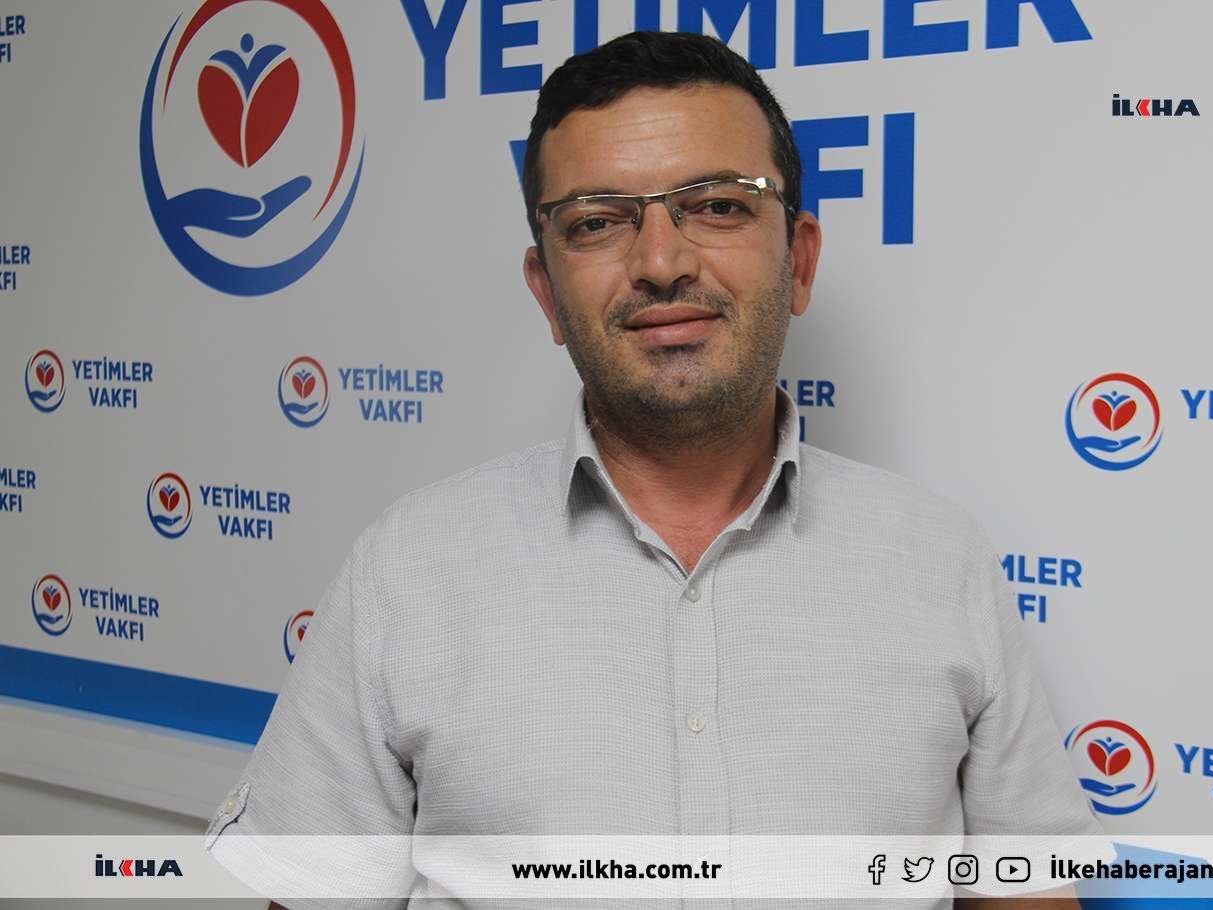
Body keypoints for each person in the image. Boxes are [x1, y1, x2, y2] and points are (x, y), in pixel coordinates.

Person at [206, 30, 1105, 909]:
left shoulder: (942, 564)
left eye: (718, 206)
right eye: (597, 223)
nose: (663, 263)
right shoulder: (406, 572)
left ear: (798, 261)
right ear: (545, 291)